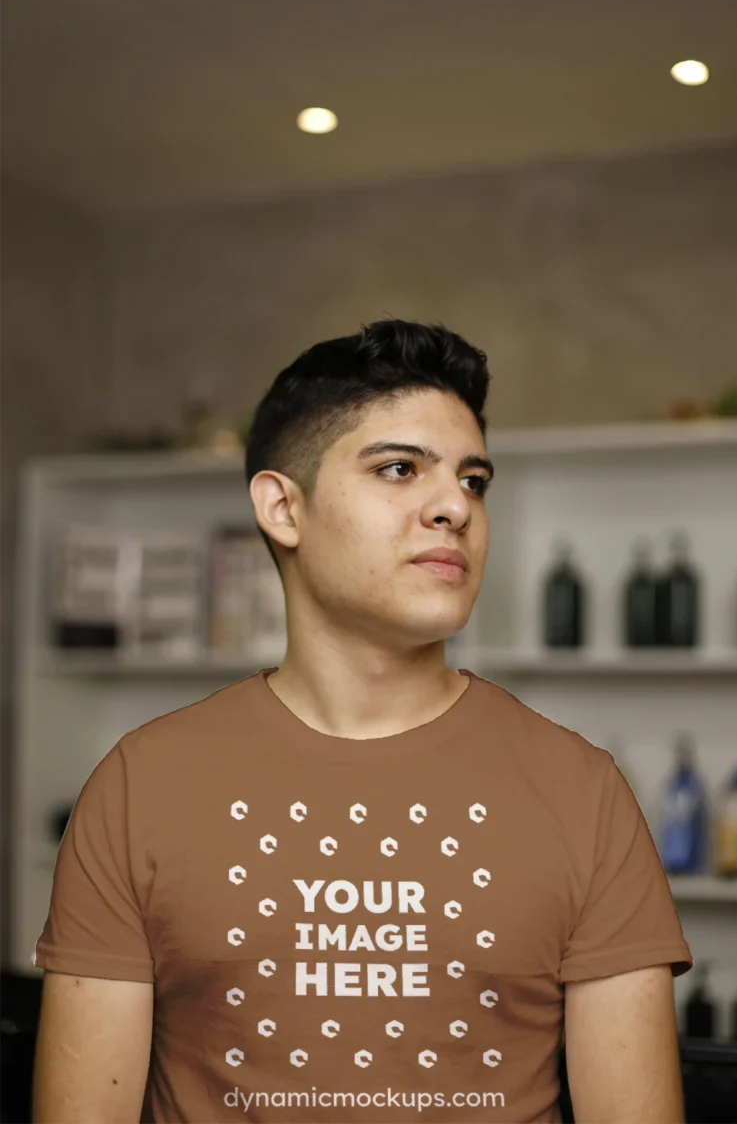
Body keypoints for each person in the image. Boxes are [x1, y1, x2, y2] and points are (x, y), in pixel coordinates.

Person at [31, 320, 692, 1124]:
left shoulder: (582, 790)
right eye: (399, 468)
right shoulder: (140, 784)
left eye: (475, 481)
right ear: (283, 507)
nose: (454, 505)